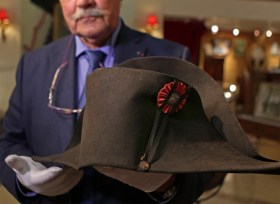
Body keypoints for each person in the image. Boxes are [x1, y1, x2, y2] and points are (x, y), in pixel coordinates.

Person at [0, 0, 224, 203]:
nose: (83, 2)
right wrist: (25, 181)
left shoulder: (172, 59)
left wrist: (166, 184)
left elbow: (203, 155)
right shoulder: (32, 64)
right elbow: (8, 142)